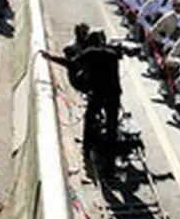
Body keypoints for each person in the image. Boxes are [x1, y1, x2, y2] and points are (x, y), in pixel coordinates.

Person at [42, 29, 133, 177]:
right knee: (112, 128)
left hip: (99, 94)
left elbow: (71, 64)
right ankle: (110, 166)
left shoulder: (90, 53)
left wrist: (50, 57)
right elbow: (122, 52)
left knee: (89, 119)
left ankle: (86, 147)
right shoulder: (112, 53)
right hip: (113, 95)